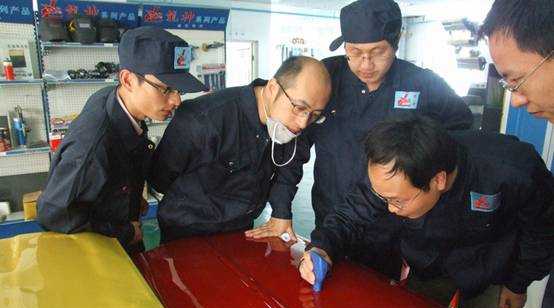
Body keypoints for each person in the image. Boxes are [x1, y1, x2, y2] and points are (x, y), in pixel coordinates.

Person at [246, 0, 473, 258]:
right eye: (354, 52)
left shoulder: (422, 83)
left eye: (378, 52)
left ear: (395, 42)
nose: (366, 64)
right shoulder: (327, 77)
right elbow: (294, 149)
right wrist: (281, 208)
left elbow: (460, 128)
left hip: (393, 220)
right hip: (331, 213)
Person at [298, 115, 554, 308]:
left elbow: (541, 230)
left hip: (490, 271)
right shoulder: (393, 169)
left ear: (438, 180)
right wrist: (322, 248)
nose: (390, 209)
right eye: (384, 199)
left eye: (397, 201)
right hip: (428, 265)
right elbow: (351, 212)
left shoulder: (512, 170)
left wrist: (518, 283)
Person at [37, 27, 207, 254]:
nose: (176, 101)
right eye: (166, 90)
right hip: (102, 254)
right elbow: (55, 214)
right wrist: (124, 231)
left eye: (179, 90)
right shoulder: (94, 145)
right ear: (128, 80)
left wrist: (129, 197)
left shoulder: (116, 100)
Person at [149, 56, 331, 242]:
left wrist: (281, 212)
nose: (303, 123)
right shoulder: (203, 119)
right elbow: (160, 178)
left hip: (241, 227)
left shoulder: (293, 124)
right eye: (299, 108)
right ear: (272, 88)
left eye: (315, 115)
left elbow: (288, 169)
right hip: (187, 230)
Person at [480, 1, 554, 308]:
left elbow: (539, 225)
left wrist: (518, 281)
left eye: (516, 79)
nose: (519, 100)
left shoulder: (512, 169)